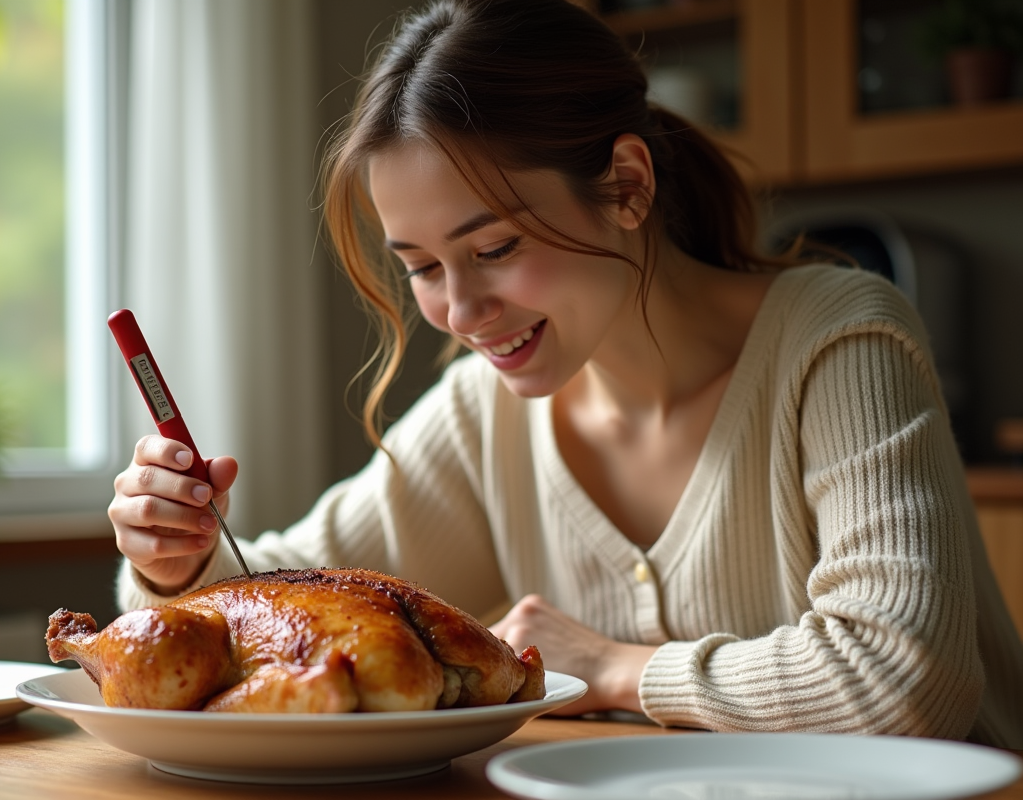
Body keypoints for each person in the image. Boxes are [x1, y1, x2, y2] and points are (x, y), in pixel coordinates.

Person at [107, 0, 1023, 746]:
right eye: (422, 268)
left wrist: (615, 667)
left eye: (494, 248)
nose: (460, 313)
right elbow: (272, 591)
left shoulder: (836, 339)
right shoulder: (483, 413)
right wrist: (175, 564)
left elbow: (907, 681)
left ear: (627, 184)